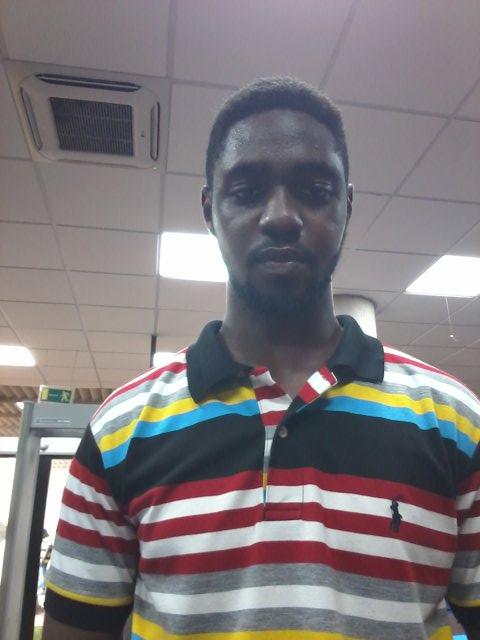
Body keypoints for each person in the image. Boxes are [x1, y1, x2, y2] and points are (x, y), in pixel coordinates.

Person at [43, 77, 480, 640]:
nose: (280, 216)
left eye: (314, 190)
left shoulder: (454, 422)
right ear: (210, 210)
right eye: (247, 191)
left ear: (346, 206)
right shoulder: (120, 430)